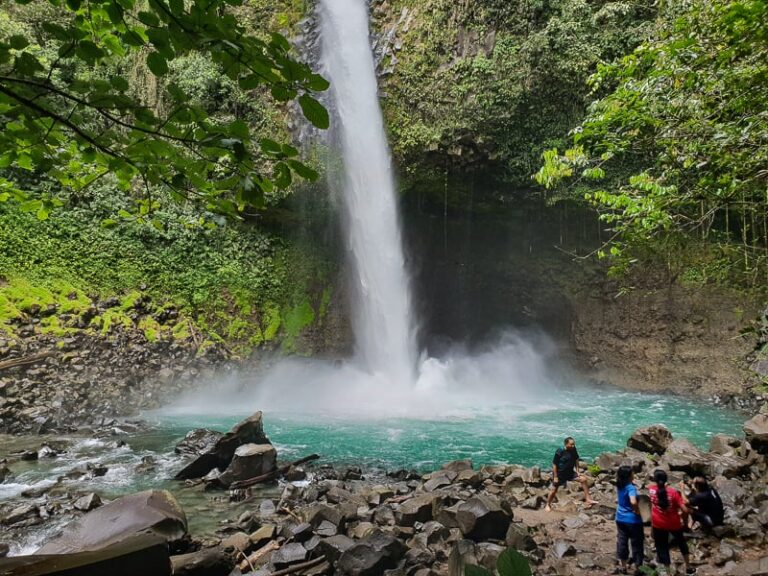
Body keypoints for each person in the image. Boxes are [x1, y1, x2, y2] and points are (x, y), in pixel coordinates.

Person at [648, 469, 694, 575]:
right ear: (665, 480)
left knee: (662, 547)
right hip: (674, 524)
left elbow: (656, 489)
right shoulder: (673, 492)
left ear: (655, 480)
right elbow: (685, 510)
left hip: (658, 524)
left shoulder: (651, 490)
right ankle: (688, 566)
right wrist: (681, 515)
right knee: (682, 543)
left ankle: (668, 572)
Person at [545, 436, 596, 512]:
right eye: (571, 444)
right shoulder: (560, 451)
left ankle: (588, 499)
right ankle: (548, 504)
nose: (573, 446)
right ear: (566, 444)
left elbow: (576, 459)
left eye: (574, 444)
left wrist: (578, 471)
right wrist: (555, 477)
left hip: (570, 473)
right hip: (560, 474)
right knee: (553, 490)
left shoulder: (573, 449)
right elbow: (554, 464)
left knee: (583, 479)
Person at [614, 465, 644, 575]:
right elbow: (633, 501)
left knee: (622, 541)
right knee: (636, 543)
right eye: (632, 473)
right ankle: (637, 568)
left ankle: (623, 567)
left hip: (620, 518)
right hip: (632, 520)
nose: (634, 474)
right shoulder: (631, 487)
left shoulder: (620, 485)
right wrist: (636, 511)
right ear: (629, 476)